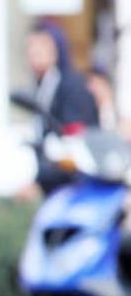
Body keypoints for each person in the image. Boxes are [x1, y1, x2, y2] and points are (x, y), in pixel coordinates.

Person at [25, 20, 99, 193]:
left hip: (74, 184)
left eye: (41, 47)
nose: (34, 53)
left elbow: (75, 138)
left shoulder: (71, 87)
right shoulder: (42, 88)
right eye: (30, 47)